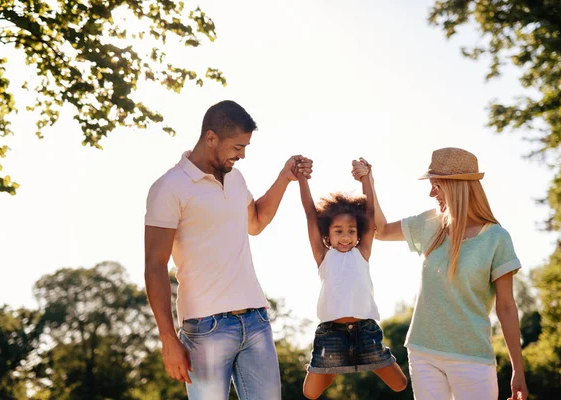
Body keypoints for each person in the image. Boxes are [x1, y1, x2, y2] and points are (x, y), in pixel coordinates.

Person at [144, 100, 312, 400]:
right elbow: (154, 264)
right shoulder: (168, 188)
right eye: (237, 146)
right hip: (205, 329)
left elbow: (256, 221)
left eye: (245, 147)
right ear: (211, 138)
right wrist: (168, 338)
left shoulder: (235, 178)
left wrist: (285, 177)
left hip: (256, 321)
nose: (242, 155)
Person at [351, 148, 529, 400]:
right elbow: (380, 230)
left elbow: (507, 307)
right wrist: (368, 182)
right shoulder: (430, 224)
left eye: (437, 185)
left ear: (456, 186)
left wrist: (517, 370)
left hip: (472, 358)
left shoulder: (496, 239)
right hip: (423, 353)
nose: (431, 193)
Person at [296, 158, 408, 399]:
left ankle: (363, 358)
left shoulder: (362, 252)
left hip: (365, 332)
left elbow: (369, 212)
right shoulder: (323, 255)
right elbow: (309, 214)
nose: (346, 237)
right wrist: (302, 179)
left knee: (400, 384)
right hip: (331, 334)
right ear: (327, 233)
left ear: (359, 233)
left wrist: (366, 178)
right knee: (310, 394)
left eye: (351, 231)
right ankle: (340, 363)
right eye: (338, 231)